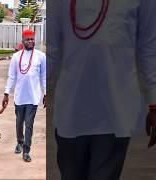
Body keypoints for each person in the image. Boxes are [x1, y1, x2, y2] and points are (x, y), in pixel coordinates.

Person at [49, 0, 156, 179]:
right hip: (71, 111)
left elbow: (149, 47)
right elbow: (50, 52)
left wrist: (154, 102)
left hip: (115, 112)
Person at [2, 29, 47, 162]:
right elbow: (11, 76)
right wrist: (6, 93)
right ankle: (20, 142)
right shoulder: (16, 57)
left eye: (32, 39)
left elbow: (44, 76)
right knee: (19, 122)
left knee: (29, 124)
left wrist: (46, 93)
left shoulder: (41, 56)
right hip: (19, 96)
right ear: (23, 41)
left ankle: (26, 150)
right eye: (28, 39)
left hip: (33, 97)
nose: (30, 41)